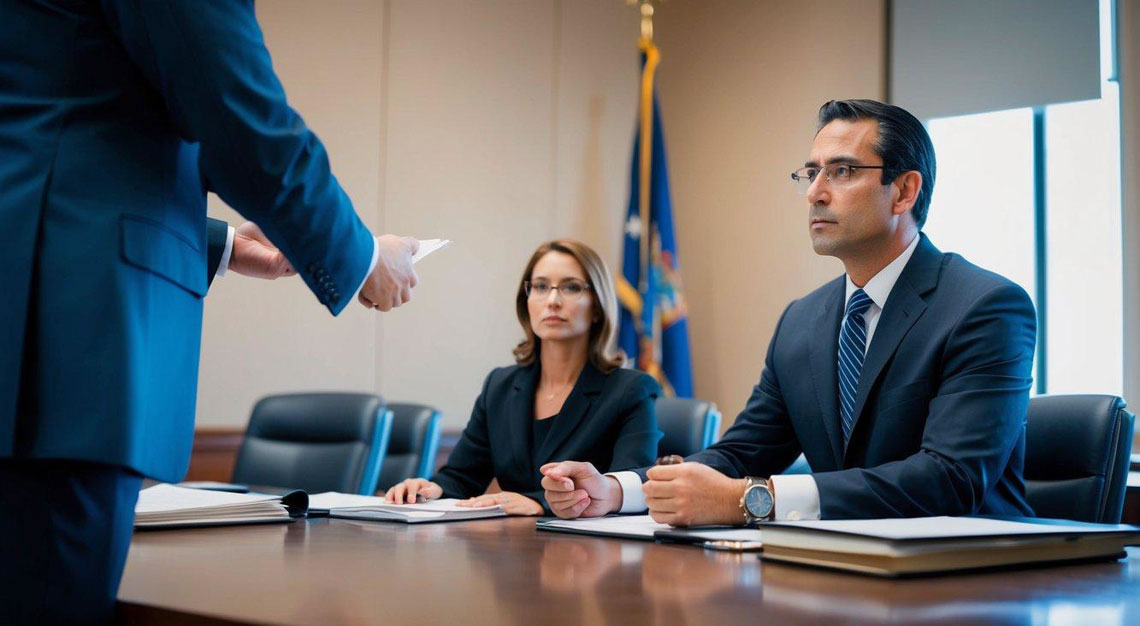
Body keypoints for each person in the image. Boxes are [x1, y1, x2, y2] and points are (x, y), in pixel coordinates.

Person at [0, 1, 420, 622]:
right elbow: (238, 113)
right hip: (63, 342)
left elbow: (56, 131)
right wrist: (361, 255)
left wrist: (222, 246)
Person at [542, 99, 1037, 526]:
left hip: (975, 575)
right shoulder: (802, 321)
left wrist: (750, 500)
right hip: (844, 567)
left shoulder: (984, 307)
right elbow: (741, 454)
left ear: (904, 191)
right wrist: (616, 490)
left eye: (842, 172)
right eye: (811, 172)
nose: (815, 192)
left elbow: (950, 479)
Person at [386, 240, 661, 515]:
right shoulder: (500, 387)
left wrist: (540, 503)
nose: (552, 301)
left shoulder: (630, 390)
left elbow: (627, 487)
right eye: (540, 286)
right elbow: (462, 476)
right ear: (526, 301)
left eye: (571, 287)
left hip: (585, 540)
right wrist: (429, 489)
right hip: (513, 538)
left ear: (598, 306)